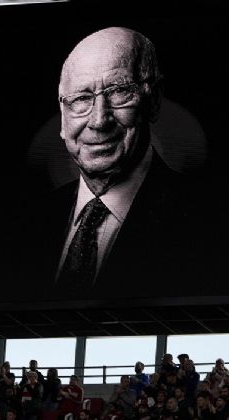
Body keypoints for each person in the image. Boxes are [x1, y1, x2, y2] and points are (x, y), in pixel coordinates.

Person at [43, 26, 196, 294]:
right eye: (81, 99)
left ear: (154, 100)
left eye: (119, 92)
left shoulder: (207, 222)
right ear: (63, 117)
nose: (99, 120)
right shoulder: (22, 225)